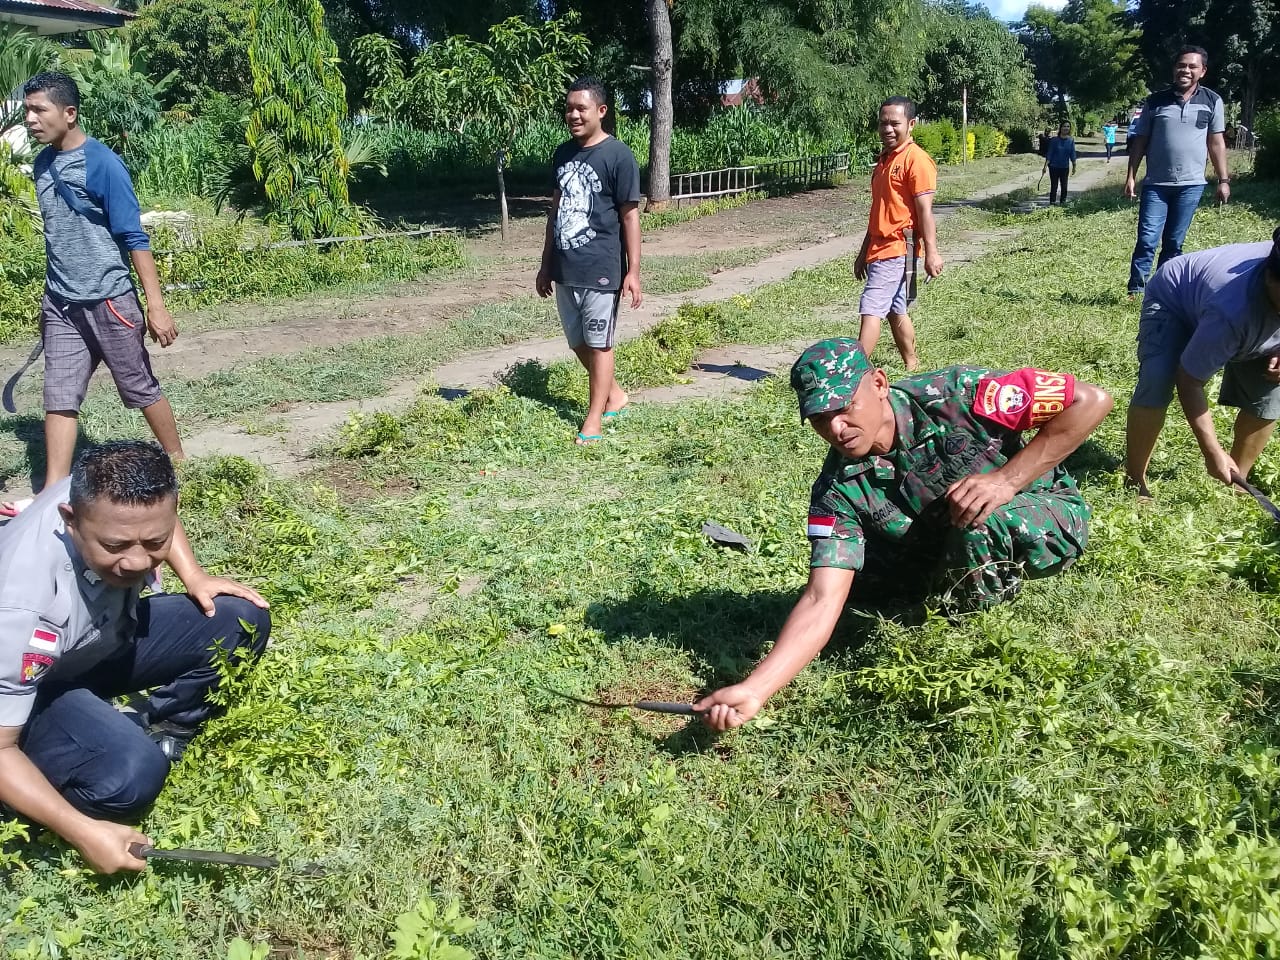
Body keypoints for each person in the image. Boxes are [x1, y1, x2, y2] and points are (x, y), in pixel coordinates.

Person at [694, 338, 1113, 731]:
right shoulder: (837, 489)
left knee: (978, 519)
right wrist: (755, 689)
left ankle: (973, 634)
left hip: (1041, 512)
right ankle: (941, 592)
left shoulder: (956, 394)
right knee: (862, 590)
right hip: (937, 546)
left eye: (845, 408)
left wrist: (1006, 481)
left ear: (878, 383)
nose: (837, 428)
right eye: (821, 419)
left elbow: (1090, 401)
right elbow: (823, 596)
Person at [0, 441, 270, 874]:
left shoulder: (104, 493)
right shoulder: (18, 608)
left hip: (94, 640)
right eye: (116, 545)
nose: (138, 562)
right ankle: (30, 801)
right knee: (129, 776)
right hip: (29, 683)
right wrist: (83, 831)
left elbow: (151, 518)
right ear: (71, 520)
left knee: (239, 618)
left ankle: (166, 727)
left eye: (154, 541)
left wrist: (193, 574)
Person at [1, 73, 184, 519]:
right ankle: (51, 495)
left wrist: (155, 306)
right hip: (62, 302)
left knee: (137, 386)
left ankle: (180, 464)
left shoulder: (102, 164)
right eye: (27, 110)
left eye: (39, 110)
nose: (30, 119)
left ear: (69, 113)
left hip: (109, 301)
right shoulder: (43, 165)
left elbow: (133, 237)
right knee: (58, 394)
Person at [1124, 228, 1280, 497]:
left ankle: (1237, 481)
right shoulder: (1232, 312)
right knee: (1159, 378)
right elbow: (1190, 381)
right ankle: (1135, 480)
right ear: (1270, 279)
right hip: (1174, 296)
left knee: (1269, 394)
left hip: (1227, 308)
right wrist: (1211, 451)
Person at [535, 76, 642, 446]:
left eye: (581, 108)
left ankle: (593, 418)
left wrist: (633, 272)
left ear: (601, 111)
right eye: (569, 108)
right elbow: (555, 211)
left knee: (600, 344)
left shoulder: (618, 156)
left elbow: (630, 217)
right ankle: (615, 394)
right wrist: (545, 263)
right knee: (578, 342)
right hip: (566, 265)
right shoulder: (562, 154)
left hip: (601, 267)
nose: (573, 114)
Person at [1124, 46, 1230, 298]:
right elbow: (1140, 140)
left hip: (1191, 185)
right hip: (1156, 184)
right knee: (1147, 240)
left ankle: (1163, 290)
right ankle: (1136, 290)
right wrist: (1130, 176)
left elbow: (1216, 143)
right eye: (1181, 65)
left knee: (1174, 243)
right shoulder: (1155, 101)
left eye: (1192, 66)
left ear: (1202, 71)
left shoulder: (1212, 101)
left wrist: (1223, 180)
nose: (1185, 70)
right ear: (1174, 69)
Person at [854, 97, 943, 371]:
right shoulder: (884, 161)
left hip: (896, 248)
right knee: (895, 309)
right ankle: (912, 364)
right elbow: (879, 211)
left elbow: (925, 211)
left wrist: (931, 253)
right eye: (883, 123)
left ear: (911, 124)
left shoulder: (916, 161)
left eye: (895, 123)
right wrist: (862, 253)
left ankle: (854, 373)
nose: (888, 129)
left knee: (871, 309)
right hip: (878, 247)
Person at [1043, 122, 1078, 204]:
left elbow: (1072, 153)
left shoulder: (1071, 140)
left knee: (1064, 186)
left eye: (1068, 126)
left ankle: (1063, 202)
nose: (1066, 128)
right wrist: (1045, 166)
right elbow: (1050, 153)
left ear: (1070, 128)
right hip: (1054, 167)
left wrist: (1074, 166)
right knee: (1054, 186)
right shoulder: (1054, 140)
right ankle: (1052, 202)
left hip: (1064, 167)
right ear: (1061, 128)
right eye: (1064, 126)